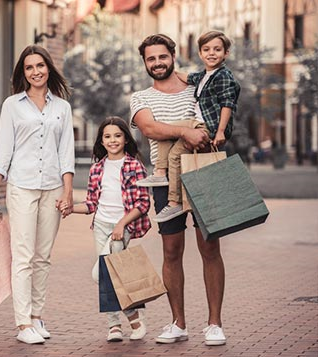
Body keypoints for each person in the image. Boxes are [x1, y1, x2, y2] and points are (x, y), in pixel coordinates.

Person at [130, 33, 228, 346]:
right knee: (171, 252)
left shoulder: (196, 89)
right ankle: (178, 323)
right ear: (145, 63)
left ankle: (214, 323)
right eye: (151, 59)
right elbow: (149, 128)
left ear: (173, 56)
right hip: (163, 182)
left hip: (203, 173)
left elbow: (216, 116)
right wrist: (186, 131)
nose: (157, 63)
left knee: (210, 248)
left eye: (162, 56)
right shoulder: (140, 97)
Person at [0, 45, 75, 345]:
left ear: (48, 68)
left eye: (40, 65)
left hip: (52, 188)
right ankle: (23, 323)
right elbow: (4, 147)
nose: (36, 71)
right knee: (23, 256)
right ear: (22, 73)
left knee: (43, 256)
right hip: (21, 187)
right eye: (29, 67)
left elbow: (67, 152)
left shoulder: (62, 107)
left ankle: (37, 316)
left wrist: (68, 191)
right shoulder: (12, 105)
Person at [61, 116, 151, 342]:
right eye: (108, 136)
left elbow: (143, 203)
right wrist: (71, 209)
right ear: (101, 141)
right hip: (101, 225)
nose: (113, 140)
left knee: (101, 273)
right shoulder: (97, 169)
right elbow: (91, 203)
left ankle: (133, 317)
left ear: (125, 139)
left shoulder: (134, 166)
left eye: (117, 136)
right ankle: (114, 326)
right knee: (109, 274)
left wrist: (121, 224)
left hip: (122, 227)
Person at [140, 30, 240, 224]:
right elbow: (150, 129)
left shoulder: (223, 77)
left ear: (226, 53)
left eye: (217, 49)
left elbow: (228, 103)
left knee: (209, 246)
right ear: (200, 54)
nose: (211, 53)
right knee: (166, 129)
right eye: (206, 49)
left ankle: (174, 201)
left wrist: (220, 131)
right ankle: (160, 173)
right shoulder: (203, 76)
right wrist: (172, 73)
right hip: (195, 131)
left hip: (201, 162)